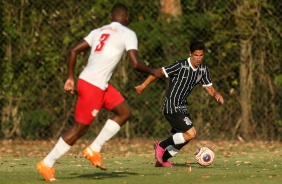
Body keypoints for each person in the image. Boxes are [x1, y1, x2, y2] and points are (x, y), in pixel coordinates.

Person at [36, 3, 163, 181]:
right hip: (92, 85)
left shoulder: (98, 31)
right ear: (126, 18)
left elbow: (73, 50)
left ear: (112, 17)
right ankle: (47, 163)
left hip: (97, 84)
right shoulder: (128, 33)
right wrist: (153, 71)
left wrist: (70, 77)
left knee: (124, 112)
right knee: (80, 128)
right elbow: (135, 64)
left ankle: (94, 148)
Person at [135, 41, 224, 168]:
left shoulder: (203, 69)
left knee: (185, 139)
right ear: (190, 54)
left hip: (183, 106)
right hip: (171, 105)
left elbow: (209, 88)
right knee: (191, 134)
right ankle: (161, 145)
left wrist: (216, 94)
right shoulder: (180, 65)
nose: (198, 58)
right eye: (196, 55)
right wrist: (143, 86)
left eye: (201, 55)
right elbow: (158, 72)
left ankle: (163, 160)